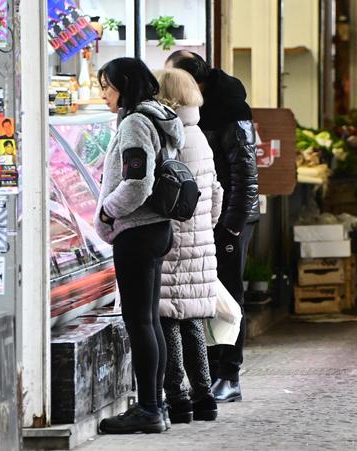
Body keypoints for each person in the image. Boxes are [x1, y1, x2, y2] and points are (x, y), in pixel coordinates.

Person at [94, 57, 184, 434]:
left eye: (108, 87)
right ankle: (157, 404)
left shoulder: (134, 123)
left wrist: (106, 213)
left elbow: (137, 182)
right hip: (157, 228)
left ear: (125, 85)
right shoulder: (160, 115)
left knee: (140, 321)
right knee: (149, 320)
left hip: (136, 230)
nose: (103, 95)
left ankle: (148, 408)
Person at [166, 50, 259, 403]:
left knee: (229, 295)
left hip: (234, 216)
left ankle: (230, 375)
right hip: (207, 215)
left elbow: (245, 173)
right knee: (204, 295)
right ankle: (207, 373)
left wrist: (233, 227)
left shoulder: (231, 109)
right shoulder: (193, 110)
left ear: (193, 81)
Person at [154, 68, 224, 424]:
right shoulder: (199, 134)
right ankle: (205, 396)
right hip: (198, 238)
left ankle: (178, 399)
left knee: (168, 319)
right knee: (193, 319)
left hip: (172, 239)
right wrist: (204, 227)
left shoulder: (171, 133)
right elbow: (215, 192)